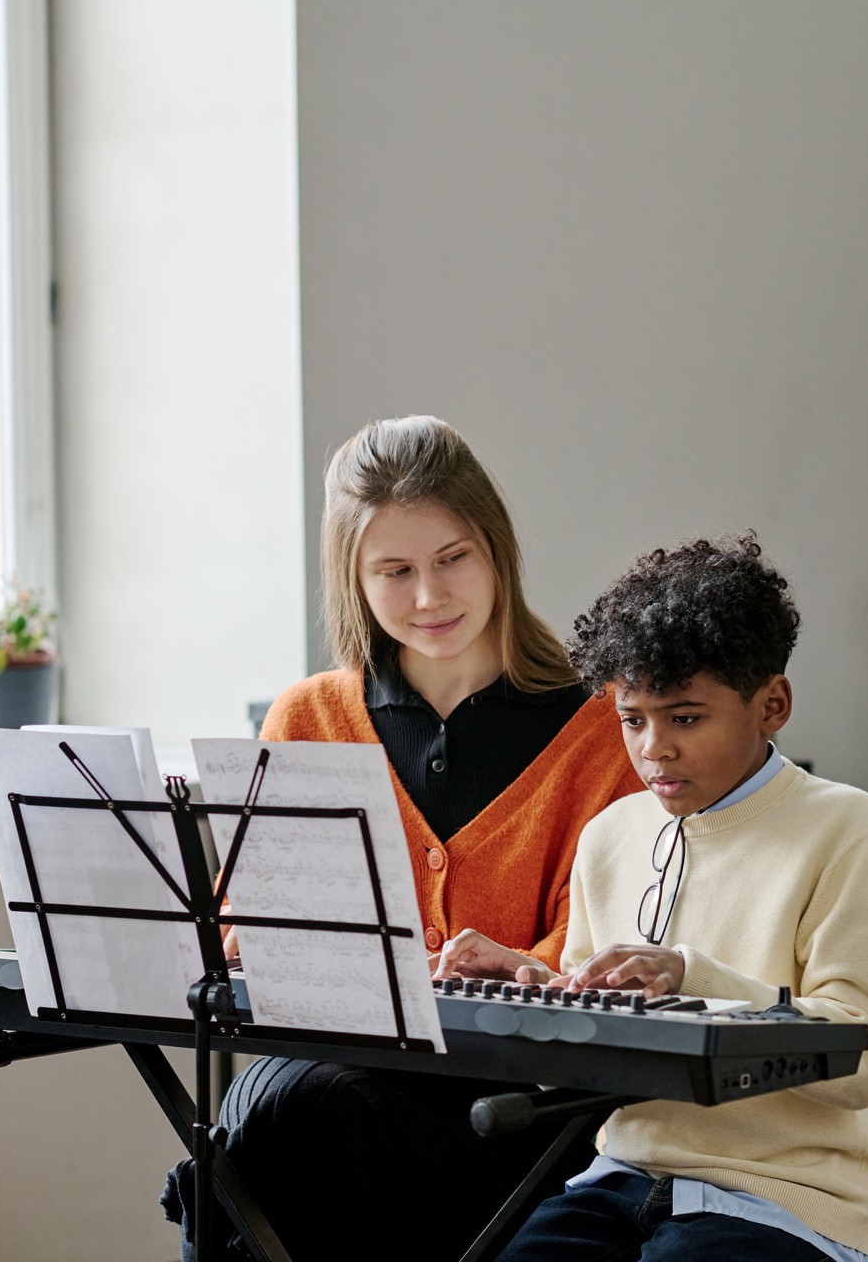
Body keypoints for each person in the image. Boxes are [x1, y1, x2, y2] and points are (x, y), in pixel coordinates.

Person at [161, 415, 641, 1261]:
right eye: (395, 571)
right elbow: (248, 933)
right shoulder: (307, 717)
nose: (429, 597)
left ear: (496, 549)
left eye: (453, 558)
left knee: (264, 1142)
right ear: (354, 578)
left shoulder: (602, 729)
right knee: (282, 1125)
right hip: (334, 1092)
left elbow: (603, 948)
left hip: (514, 1119)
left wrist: (507, 969)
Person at [439, 533, 868, 1262]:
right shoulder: (609, 836)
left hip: (783, 1201)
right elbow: (590, 1063)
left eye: (685, 718)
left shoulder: (843, 826)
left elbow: (865, 1059)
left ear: (772, 704)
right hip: (619, 1179)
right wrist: (534, 989)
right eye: (632, 720)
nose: (653, 748)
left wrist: (693, 976)